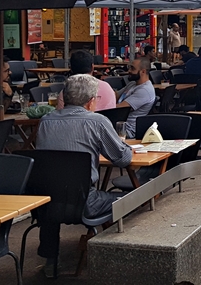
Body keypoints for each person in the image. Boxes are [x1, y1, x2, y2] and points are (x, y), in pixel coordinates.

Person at [36, 74, 132, 277]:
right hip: (85, 202)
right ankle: (116, 258)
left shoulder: (46, 121)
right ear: (91, 102)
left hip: (45, 204)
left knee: (56, 192)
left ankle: (50, 261)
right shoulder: (97, 121)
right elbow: (122, 159)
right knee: (132, 200)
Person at [116, 57, 156, 138]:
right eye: (129, 68)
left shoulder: (144, 90)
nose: (129, 71)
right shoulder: (132, 84)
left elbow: (118, 109)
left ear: (143, 71)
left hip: (127, 130)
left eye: (132, 68)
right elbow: (116, 95)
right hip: (118, 123)